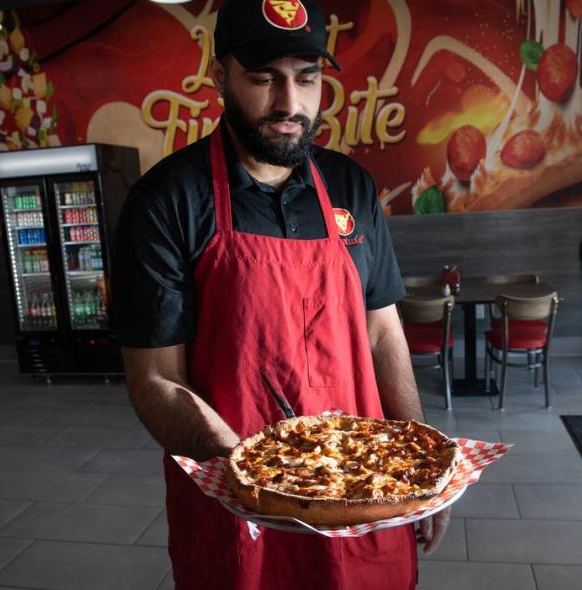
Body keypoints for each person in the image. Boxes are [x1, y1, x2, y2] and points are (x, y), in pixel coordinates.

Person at [112, 0, 449, 587]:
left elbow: (382, 329)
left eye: (307, 78)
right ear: (221, 78)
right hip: (239, 503)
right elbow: (155, 380)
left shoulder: (351, 185)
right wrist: (254, 473)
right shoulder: (166, 200)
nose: (290, 105)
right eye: (263, 79)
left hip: (363, 487)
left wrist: (425, 467)